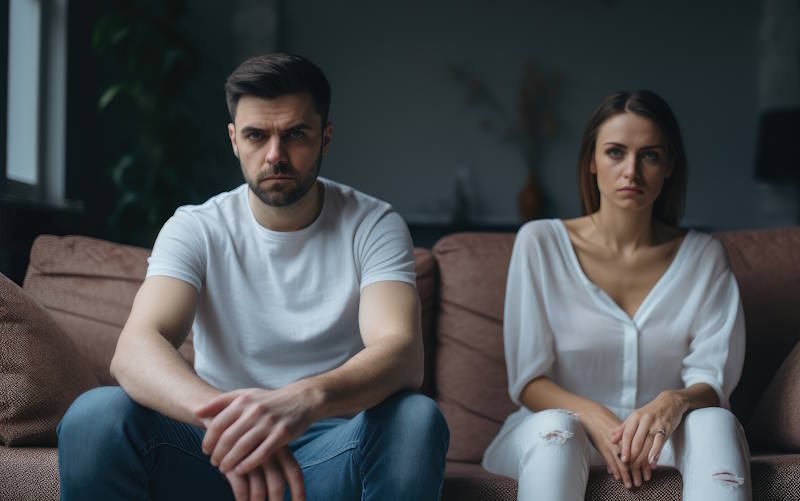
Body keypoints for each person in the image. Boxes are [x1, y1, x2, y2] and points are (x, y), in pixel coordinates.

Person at [57, 53, 449, 501]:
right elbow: (134, 350)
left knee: (415, 419)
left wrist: (302, 402)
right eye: (257, 136)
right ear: (234, 140)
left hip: (329, 455)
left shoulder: (372, 224)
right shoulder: (196, 227)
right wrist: (237, 425)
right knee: (95, 416)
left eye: (296, 135)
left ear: (326, 137)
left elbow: (401, 353)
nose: (275, 155)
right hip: (214, 455)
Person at [481, 90, 750, 501]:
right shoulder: (539, 243)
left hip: (662, 438)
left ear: (670, 167)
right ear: (592, 161)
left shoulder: (704, 257)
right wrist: (593, 415)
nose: (632, 171)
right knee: (560, 430)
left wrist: (672, 402)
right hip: (558, 430)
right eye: (615, 153)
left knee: (714, 422)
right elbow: (529, 380)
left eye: (650, 156)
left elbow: (712, 381)